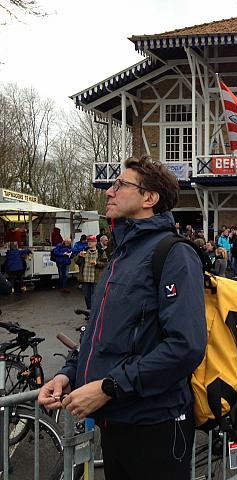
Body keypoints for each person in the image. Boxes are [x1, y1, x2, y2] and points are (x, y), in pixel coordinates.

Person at [38, 155, 206, 480]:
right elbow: (100, 334)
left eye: (120, 184)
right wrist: (68, 375)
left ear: (149, 198)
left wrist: (108, 387)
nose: (109, 192)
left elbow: (186, 346)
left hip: (155, 426)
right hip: (116, 421)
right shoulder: (123, 253)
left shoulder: (174, 254)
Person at [75, 235, 108, 309]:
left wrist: (97, 263)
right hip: (85, 278)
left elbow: (105, 264)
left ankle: (93, 312)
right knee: (87, 296)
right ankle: (88, 311)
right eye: (88, 241)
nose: (89, 243)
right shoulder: (84, 251)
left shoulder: (101, 252)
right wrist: (79, 256)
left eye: (91, 241)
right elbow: (77, 262)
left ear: (95, 242)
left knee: (94, 296)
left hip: (95, 279)